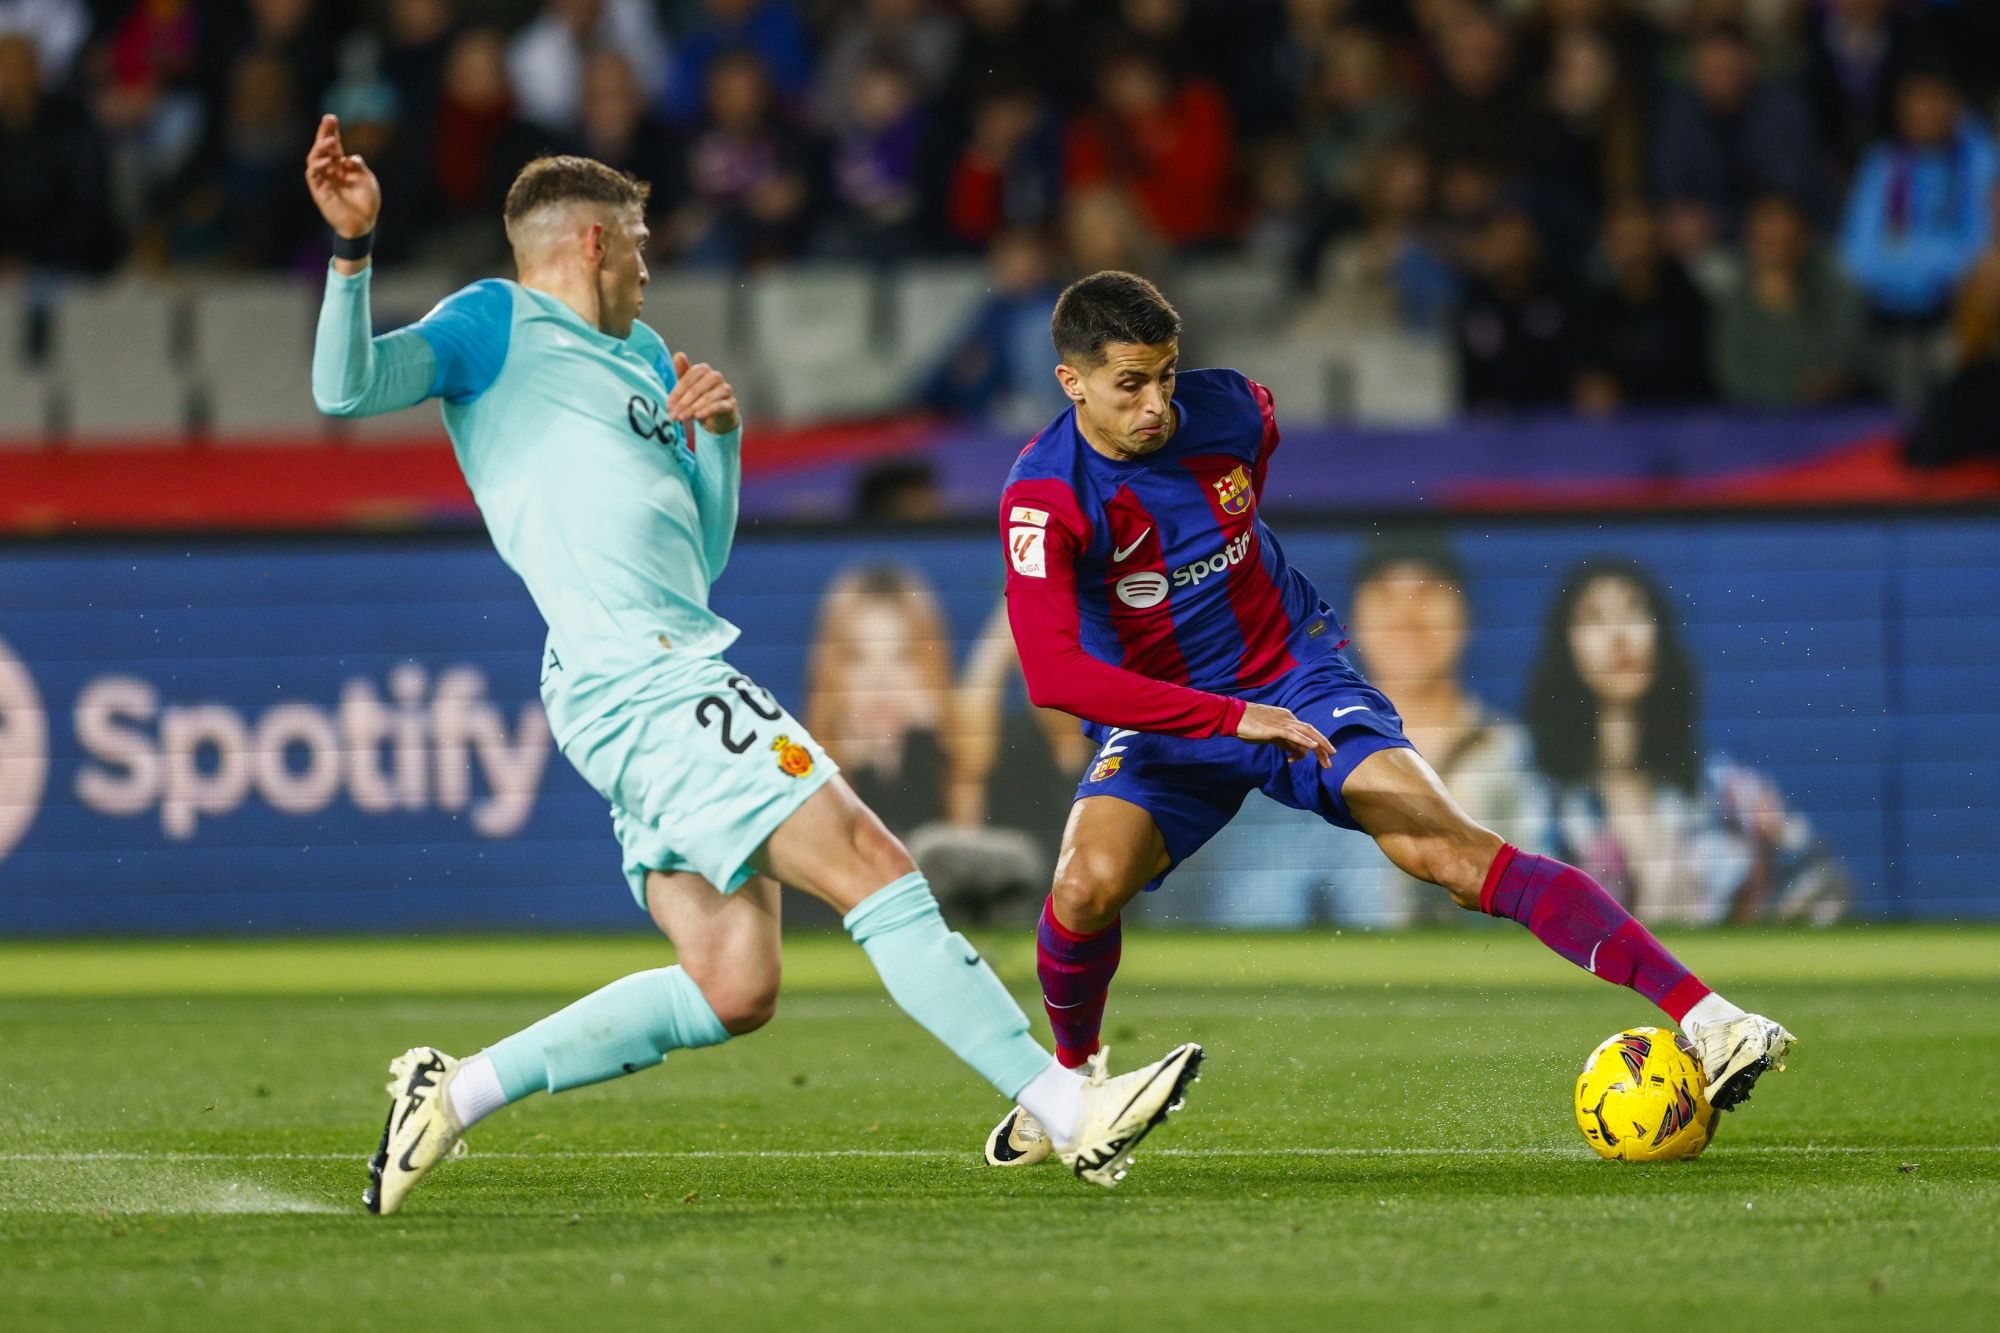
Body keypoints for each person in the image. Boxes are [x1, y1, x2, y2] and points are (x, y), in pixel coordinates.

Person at [302, 118, 1202, 1212]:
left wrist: (715, 439)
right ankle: (1067, 1108)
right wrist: (352, 252)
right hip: (645, 677)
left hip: (648, 664)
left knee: (735, 982)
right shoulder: (494, 326)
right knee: (874, 864)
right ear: (589, 244)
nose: (648, 261)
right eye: (636, 240)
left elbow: (702, 555)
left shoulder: (641, 357)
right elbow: (344, 392)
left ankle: (454, 1090)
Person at [980, 270, 1793, 1168]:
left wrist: (1264, 696)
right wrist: (1226, 717)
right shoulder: (1044, 497)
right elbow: (1056, 676)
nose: (1156, 403)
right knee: (1084, 888)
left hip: (1293, 676)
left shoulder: (1235, 413)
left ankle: (1715, 1022)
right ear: (1072, 382)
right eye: (1130, 384)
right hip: (1179, 719)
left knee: (1447, 848)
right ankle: (1071, 1086)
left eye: (1166, 374)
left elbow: (1241, 490)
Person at [1522, 559, 1850, 925]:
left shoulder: (1730, 790)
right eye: (1594, 618)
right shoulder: (1536, 794)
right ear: (1564, 645)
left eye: (1635, 612)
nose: (1619, 636)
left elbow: (1825, 892)